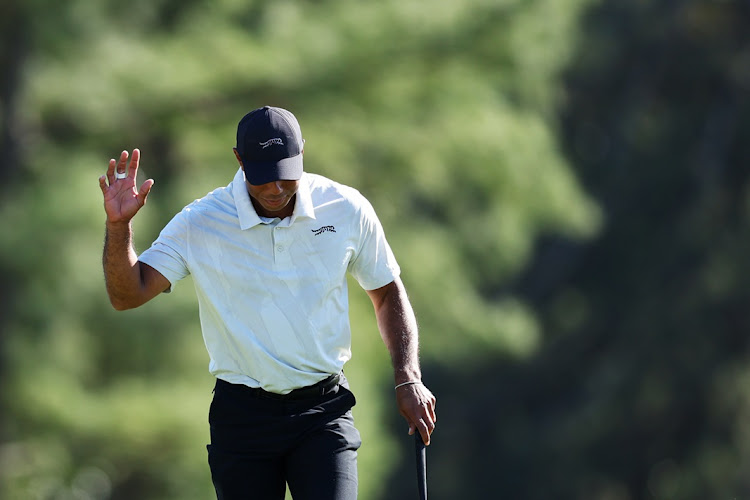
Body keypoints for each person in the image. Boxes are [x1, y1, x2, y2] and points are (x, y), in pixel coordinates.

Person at [98, 105, 437, 500]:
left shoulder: (345, 208)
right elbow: (128, 294)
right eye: (263, 177)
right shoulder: (201, 222)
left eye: (285, 173)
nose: (276, 188)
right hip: (242, 420)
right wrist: (118, 226)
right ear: (239, 160)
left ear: (302, 153)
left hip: (323, 411)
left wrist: (407, 375)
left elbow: (387, 292)